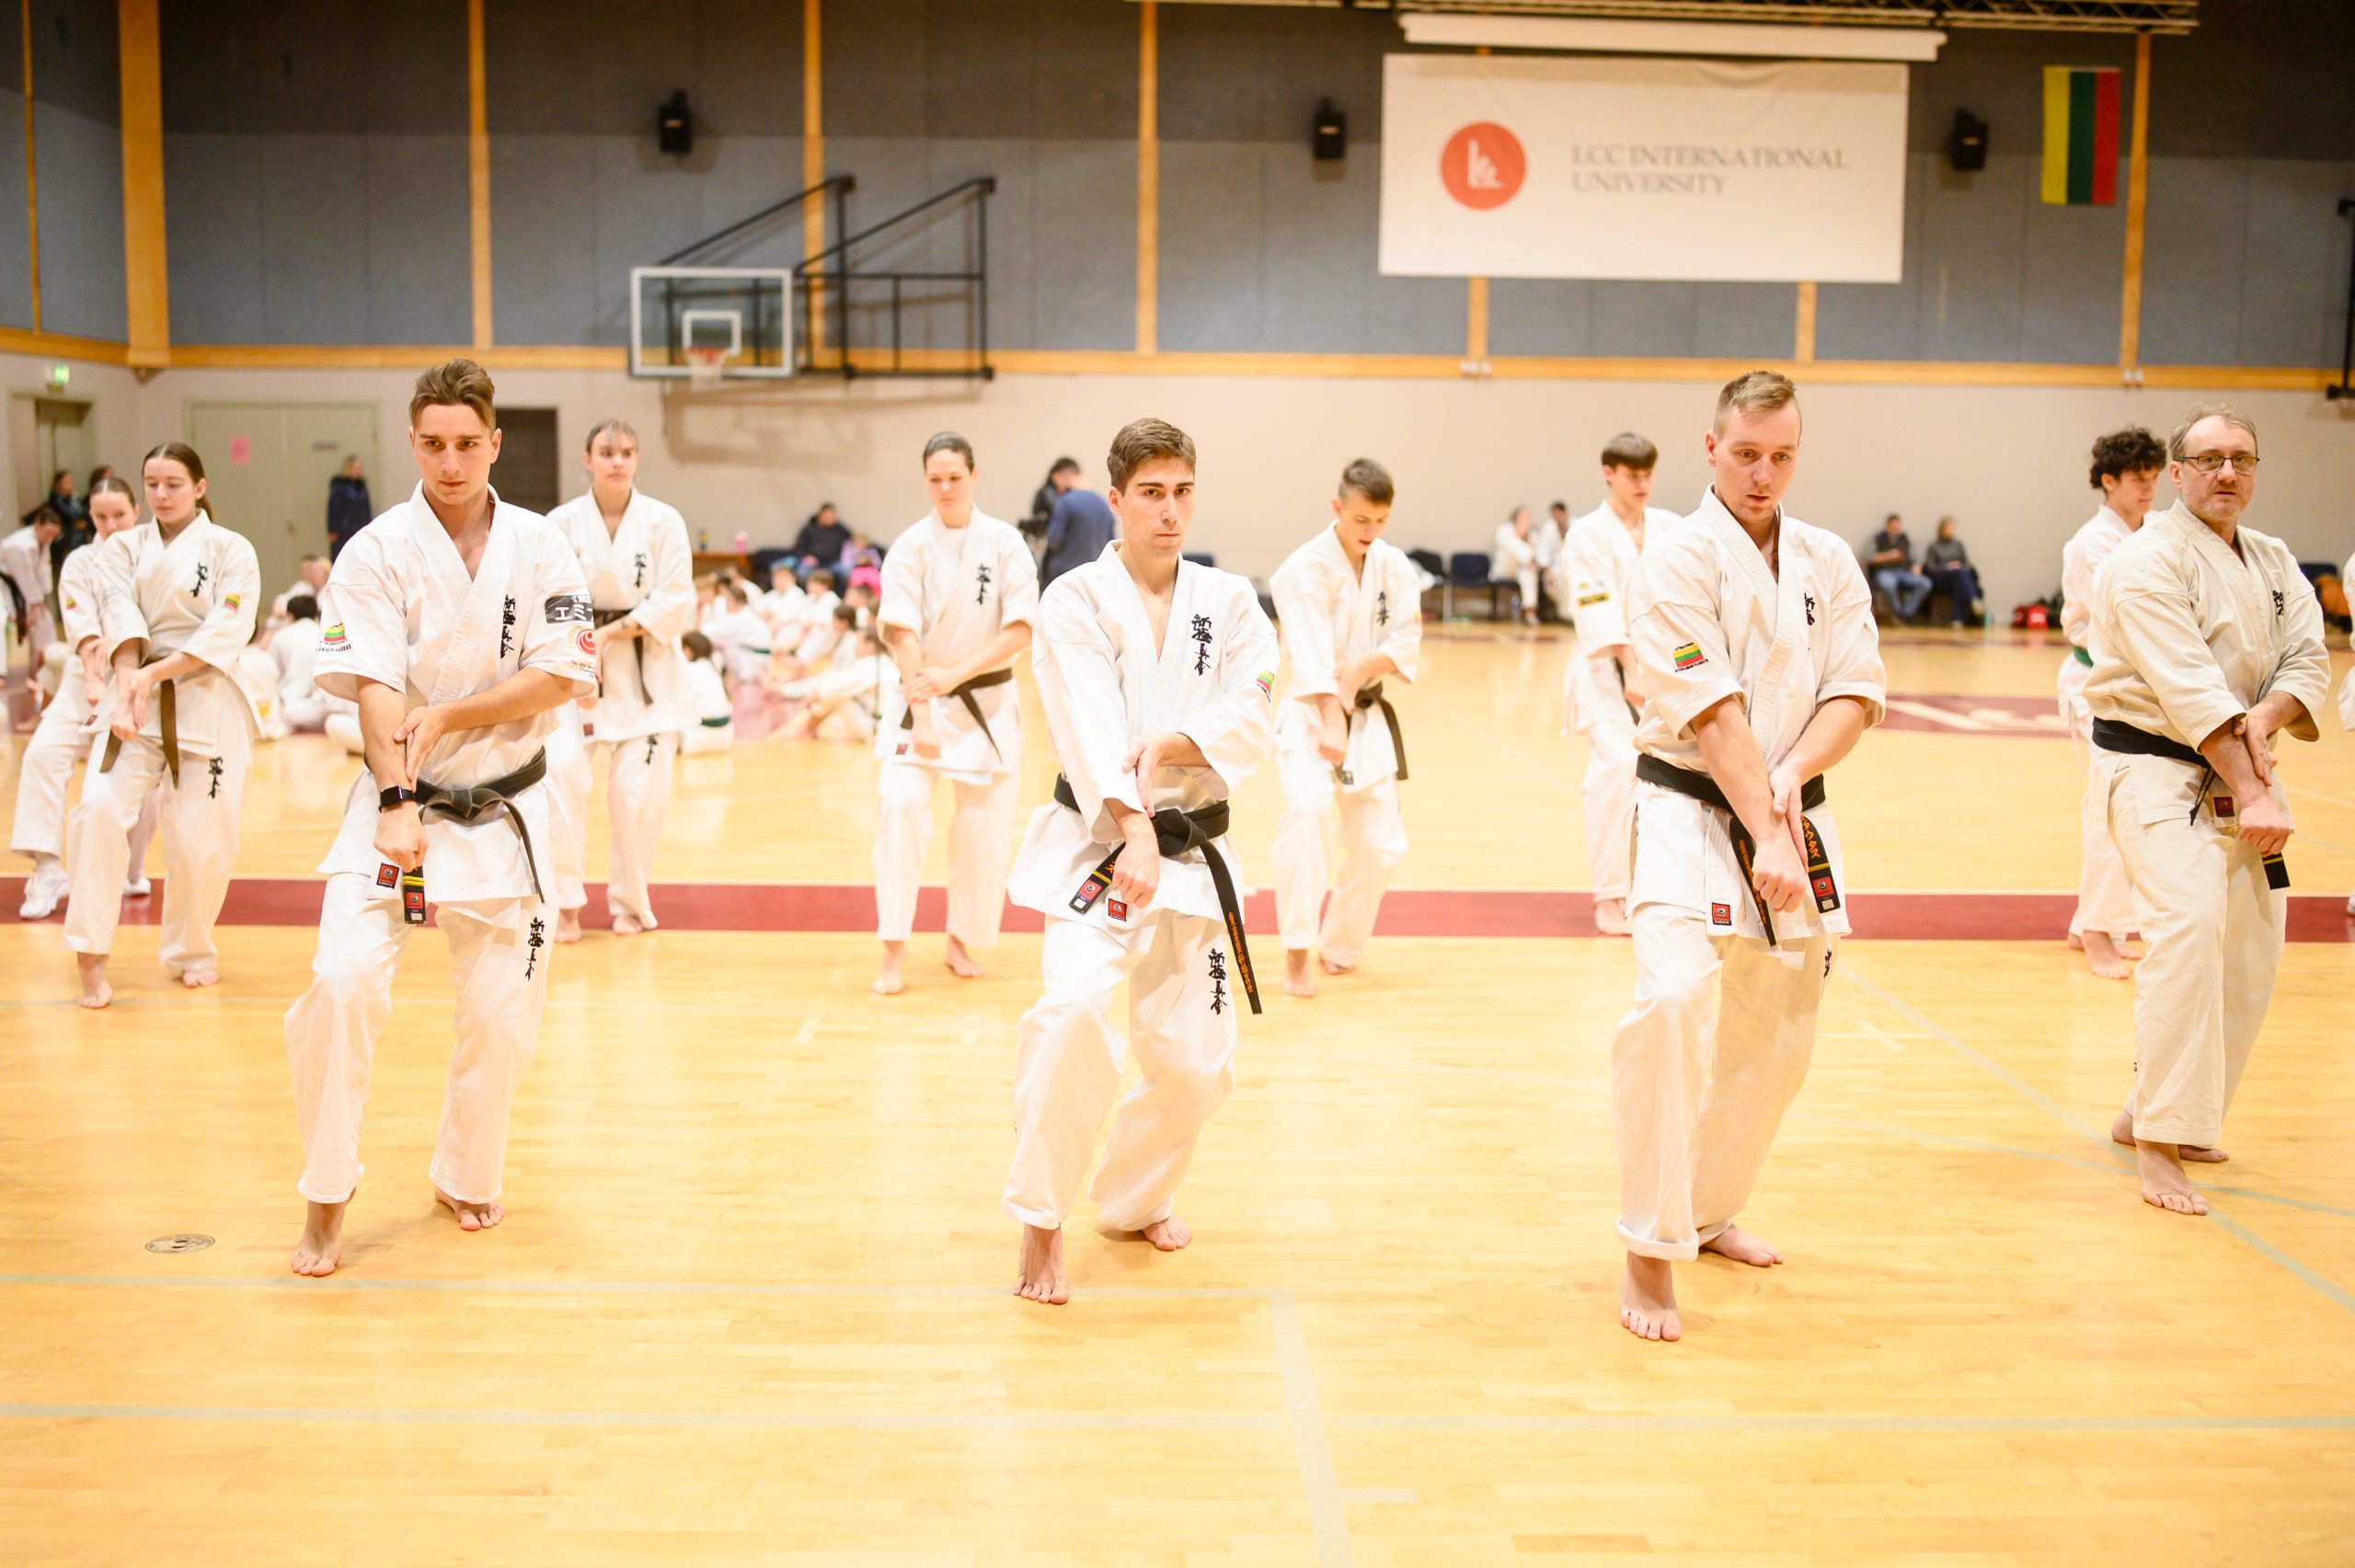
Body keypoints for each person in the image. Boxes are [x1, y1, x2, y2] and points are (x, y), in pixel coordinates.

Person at [281, 358, 596, 1276]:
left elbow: (562, 673)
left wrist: (451, 715)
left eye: (466, 444)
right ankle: (326, 1191)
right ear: (411, 443)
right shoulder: (375, 549)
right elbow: (374, 683)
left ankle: (465, 1171)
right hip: (396, 799)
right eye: (432, 444)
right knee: (341, 985)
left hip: (506, 808)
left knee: (500, 1017)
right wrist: (394, 801)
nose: (450, 463)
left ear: (494, 443)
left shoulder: (542, 544)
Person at [1610, 372, 1885, 1343]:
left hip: (1791, 811)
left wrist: (1791, 781)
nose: (1763, 474)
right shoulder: (1674, 559)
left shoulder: (1825, 558)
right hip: (1687, 810)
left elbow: (1855, 689)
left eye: (1781, 456)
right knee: (1671, 1003)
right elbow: (1712, 711)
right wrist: (1766, 828)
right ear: (1710, 449)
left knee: (1777, 1038)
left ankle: (1709, 1207)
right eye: (1745, 454)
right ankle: (1649, 1245)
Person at [1003, 416, 1279, 1306]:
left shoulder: (1228, 599)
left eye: (1183, 491)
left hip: (1194, 850)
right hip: (1101, 845)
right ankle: (1040, 1217)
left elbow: (1255, 704)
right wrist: (1133, 827)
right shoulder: (1074, 598)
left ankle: (1133, 1197)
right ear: (1116, 500)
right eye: (1151, 493)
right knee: (1074, 1014)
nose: (1170, 510)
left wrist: (1175, 744)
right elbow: (1086, 723)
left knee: (1198, 1064)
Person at [2083, 405, 2328, 1218]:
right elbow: (2187, 684)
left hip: (2244, 756)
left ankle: (2154, 1112)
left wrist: (2264, 719)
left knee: (2250, 950)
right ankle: (2160, 1139)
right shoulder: (2144, 560)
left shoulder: (2274, 557)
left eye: (2242, 459)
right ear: (2178, 471)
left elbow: (2309, 658)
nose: (2228, 472)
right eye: (2210, 458)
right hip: (2157, 769)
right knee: (2186, 935)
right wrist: (2252, 784)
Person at [63, 444, 263, 1008]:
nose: (160, 494)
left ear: (199, 487)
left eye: (173, 483)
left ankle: (190, 950)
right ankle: (90, 955)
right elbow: (119, 614)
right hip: (134, 693)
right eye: (151, 483)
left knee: (202, 838)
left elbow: (228, 626)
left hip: (208, 693)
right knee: (97, 810)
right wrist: (130, 685)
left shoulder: (230, 548)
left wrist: (157, 674)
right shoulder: (122, 548)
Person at [871, 432, 1040, 996]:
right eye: (935, 479)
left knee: (982, 832)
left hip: (986, 702)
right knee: (898, 808)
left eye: (955, 478)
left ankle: (961, 940)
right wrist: (923, 710)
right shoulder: (910, 546)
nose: (945, 488)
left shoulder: (1005, 543)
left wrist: (955, 675)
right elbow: (900, 630)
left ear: (974, 475)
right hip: (919, 698)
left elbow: (1021, 628)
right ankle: (893, 947)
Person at [1268, 458, 1421, 996]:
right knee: (1307, 818)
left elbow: (1407, 637)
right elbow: (1309, 654)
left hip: (1367, 714)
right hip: (1311, 715)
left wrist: (1359, 670)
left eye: (1380, 521)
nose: (1370, 532)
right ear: (1337, 507)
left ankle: (1340, 943)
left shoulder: (1393, 565)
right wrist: (1333, 717)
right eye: (1360, 520)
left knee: (1381, 844)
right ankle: (1296, 950)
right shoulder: (1303, 568)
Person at [542, 419, 695, 943]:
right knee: (560, 775)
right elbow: (548, 597)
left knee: (635, 798)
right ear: (587, 459)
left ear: (637, 459)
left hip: (645, 674)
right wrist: (586, 646)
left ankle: (631, 902)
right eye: (607, 452)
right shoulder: (561, 523)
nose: (617, 461)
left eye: (627, 452)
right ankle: (565, 904)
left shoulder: (663, 521)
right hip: (573, 675)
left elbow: (675, 598)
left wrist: (607, 637)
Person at [10, 476, 155, 919]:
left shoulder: (154, 555)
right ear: (90, 516)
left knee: (144, 782)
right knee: (41, 756)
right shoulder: (80, 561)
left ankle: (130, 867)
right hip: (84, 679)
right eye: (101, 517)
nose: (111, 525)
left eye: (120, 515)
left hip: (142, 679)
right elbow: (81, 626)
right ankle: (47, 868)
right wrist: (93, 676)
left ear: (136, 511)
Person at [1561, 433, 1683, 937]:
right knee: (1613, 771)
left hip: (1665, 671)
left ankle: (1649, 888)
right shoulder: (1586, 534)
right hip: (1605, 672)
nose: (1642, 484)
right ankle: (1609, 894)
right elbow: (1598, 608)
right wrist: (1630, 667)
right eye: (1632, 475)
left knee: (1662, 782)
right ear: (1608, 472)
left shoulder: (1670, 527)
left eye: (1648, 474)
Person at [2060, 428, 2166, 982]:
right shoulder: (2092, 543)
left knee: (2123, 806)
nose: (2148, 488)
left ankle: (2089, 925)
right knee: (2110, 806)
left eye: (2153, 477)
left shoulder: (2155, 531)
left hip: (2136, 685)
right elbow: (2126, 614)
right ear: (2108, 481)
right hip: (2095, 680)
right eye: (2137, 479)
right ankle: (2100, 931)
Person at [1, 507, 63, 670]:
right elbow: (24, 576)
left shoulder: (44, 541)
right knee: (2, 620)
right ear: (37, 525)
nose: (50, 538)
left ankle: (43, 667)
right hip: (5, 585)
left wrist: (41, 600)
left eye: (54, 534)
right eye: (48, 532)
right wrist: (35, 603)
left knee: (44, 620)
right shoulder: (19, 545)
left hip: (23, 587)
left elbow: (43, 571)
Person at [1040, 469, 1117, 588]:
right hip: (1095, 579)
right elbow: (1111, 543)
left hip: (1065, 578)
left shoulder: (1065, 502)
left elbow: (1053, 541)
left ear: (1067, 477)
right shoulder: (1104, 505)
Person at [272, 593, 332, 728]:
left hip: (291, 705)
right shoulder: (325, 633)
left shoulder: (281, 636)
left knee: (282, 713)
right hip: (323, 704)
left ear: (289, 615)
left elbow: (272, 672)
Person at [1864, 513, 1931, 624]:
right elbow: (1868, 557)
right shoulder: (1877, 539)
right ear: (1887, 526)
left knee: (1925, 583)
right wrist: (1889, 556)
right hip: (1884, 572)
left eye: (1897, 526)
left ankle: (1907, 614)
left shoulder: (1905, 539)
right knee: (1888, 584)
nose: (1895, 528)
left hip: (1904, 573)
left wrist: (1916, 566)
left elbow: (1915, 558)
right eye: (1893, 526)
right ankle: (1897, 612)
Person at [677, 629, 733, 754]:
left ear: (687, 651)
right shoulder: (714, 666)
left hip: (697, 737)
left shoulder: (688, 670)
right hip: (725, 736)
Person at [1920, 518, 1981, 626]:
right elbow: (1930, 568)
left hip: (1957, 577)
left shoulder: (1958, 544)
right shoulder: (1934, 546)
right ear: (1942, 529)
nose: (1952, 531)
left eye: (1953, 529)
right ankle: (1973, 599)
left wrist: (1959, 566)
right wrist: (1947, 567)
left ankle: (1957, 620)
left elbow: (1967, 564)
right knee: (1958, 575)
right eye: (1949, 529)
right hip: (1940, 579)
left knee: (1958, 580)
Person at [1491, 506, 1540, 626]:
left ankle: (1530, 613)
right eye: (1524, 516)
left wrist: (1526, 539)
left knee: (1529, 574)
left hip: (1522, 569)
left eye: (1528, 516)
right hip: (1504, 568)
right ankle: (1528, 563)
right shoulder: (1504, 529)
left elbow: (1537, 553)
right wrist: (1529, 559)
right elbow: (1512, 547)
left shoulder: (1532, 534)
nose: (1527, 519)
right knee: (1509, 552)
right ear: (1516, 517)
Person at [327, 455, 373, 558]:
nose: (358, 470)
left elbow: (366, 508)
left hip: (359, 526)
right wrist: (332, 529)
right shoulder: (339, 487)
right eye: (355, 468)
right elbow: (333, 508)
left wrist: (369, 525)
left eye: (359, 467)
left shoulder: (361, 486)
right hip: (343, 529)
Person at [787, 502, 850, 578]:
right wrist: (806, 557)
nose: (832, 517)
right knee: (803, 572)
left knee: (846, 571)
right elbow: (798, 548)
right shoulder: (809, 529)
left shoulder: (840, 530)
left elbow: (853, 542)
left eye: (833, 515)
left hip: (834, 563)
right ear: (821, 515)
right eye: (828, 515)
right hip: (814, 562)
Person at [270, 555, 331, 625]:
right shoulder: (302, 586)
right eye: (312, 571)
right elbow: (282, 599)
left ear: (326, 574)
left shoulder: (330, 590)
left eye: (317, 572)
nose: (313, 575)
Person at [1029, 456, 1081, 540]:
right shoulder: (1045, 494)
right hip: (1049, 537)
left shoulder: (1074, 495)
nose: (1066, 479)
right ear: (1053, 475)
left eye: (1071, 475)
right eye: (1063, 475)